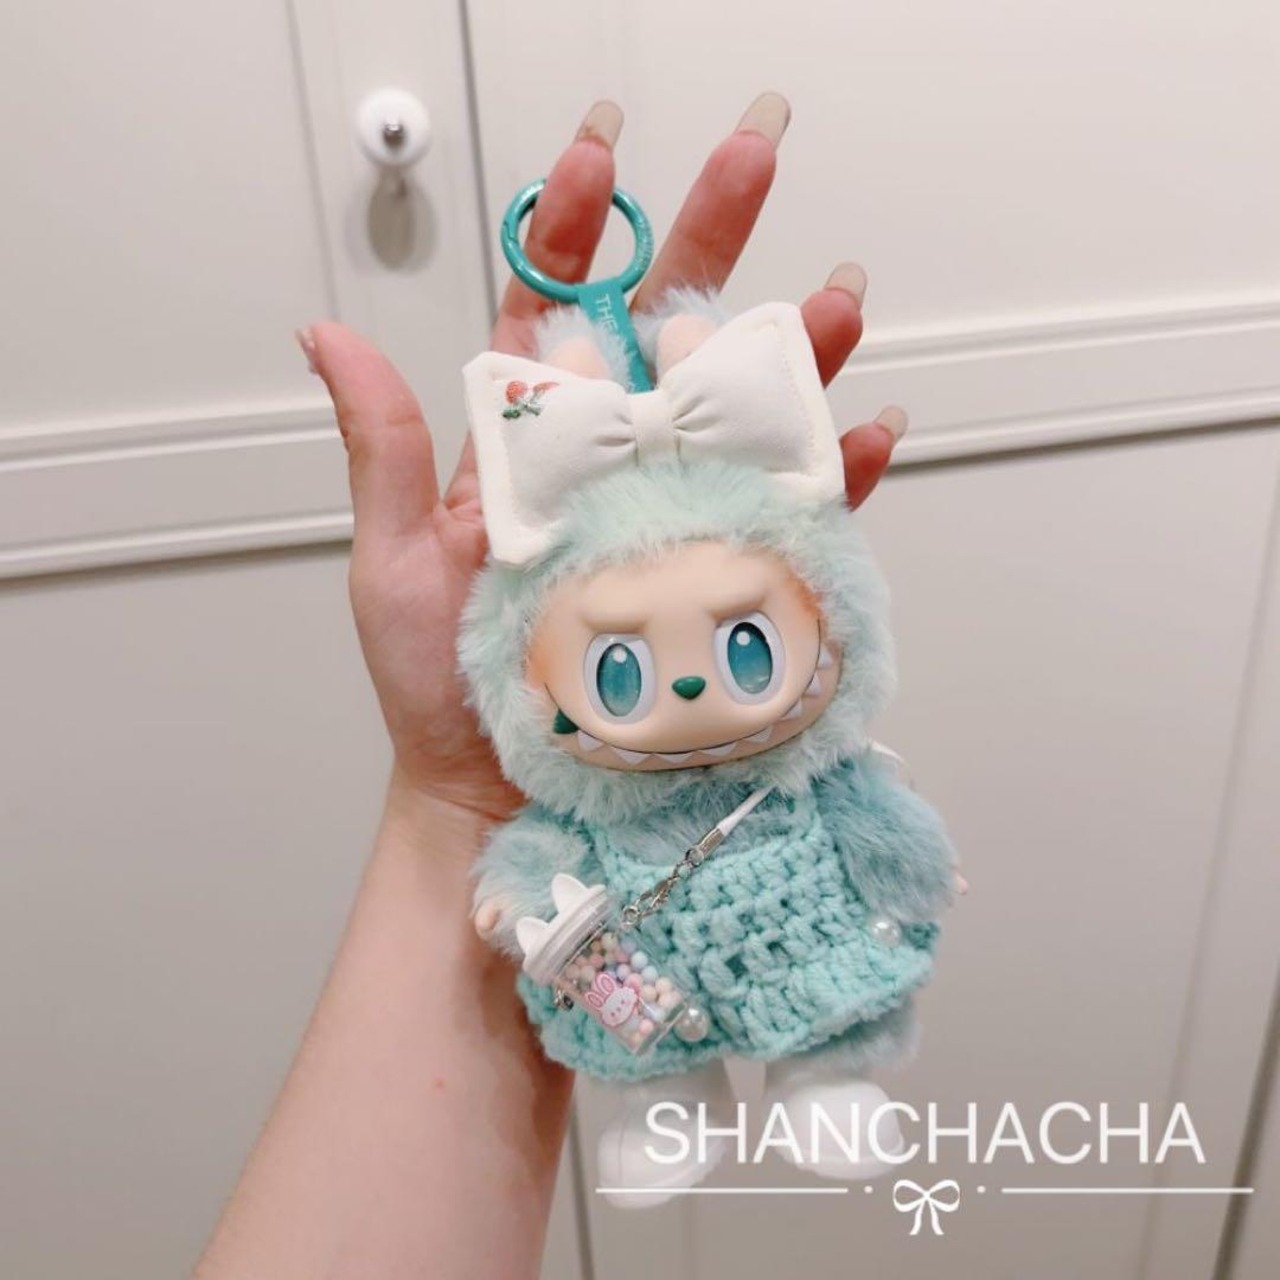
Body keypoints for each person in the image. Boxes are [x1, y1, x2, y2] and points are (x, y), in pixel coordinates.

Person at [194, 92, 906, 1280]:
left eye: (744, 649)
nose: (694, 684)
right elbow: (523, 873)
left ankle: (820, 1072)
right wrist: (475, 847)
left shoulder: (805, 771)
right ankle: (671, 1101)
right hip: (639, 975)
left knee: (821, 997)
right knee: (643, 1032)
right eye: (620, 665)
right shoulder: (569, 794)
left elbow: (882, 828)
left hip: (798, 940)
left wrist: (906, 860)